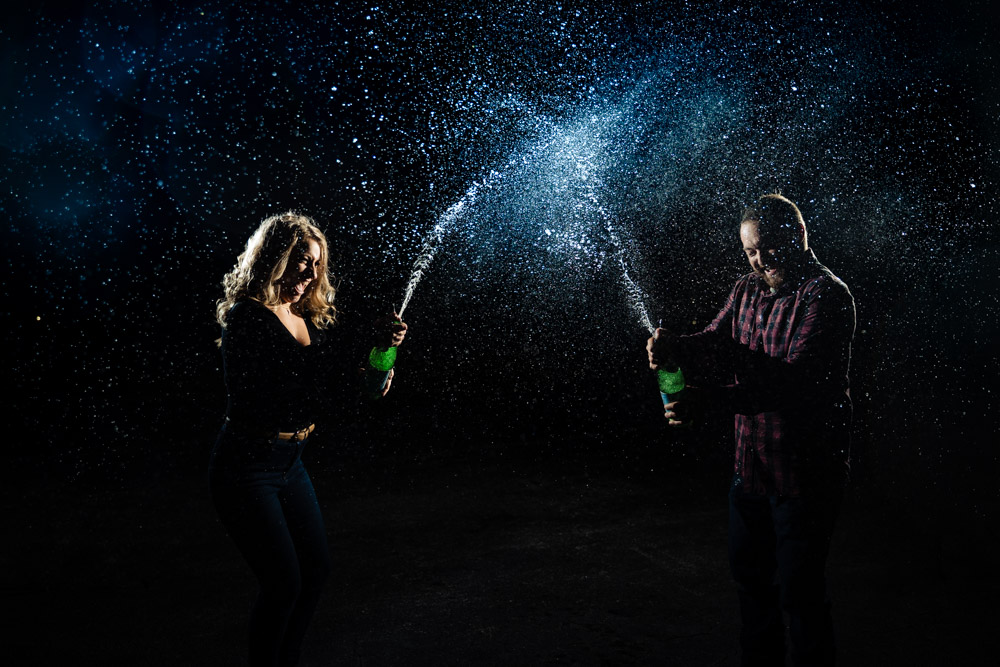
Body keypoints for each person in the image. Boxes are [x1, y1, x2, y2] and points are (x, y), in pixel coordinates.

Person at [647, 193, 854, 666]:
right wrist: (673, 345)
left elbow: (790, 386)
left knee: (800, 599)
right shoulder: (746, 289)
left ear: (798, 237)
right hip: (750, 472)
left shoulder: (825, 296)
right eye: (750, 251)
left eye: (769, 247)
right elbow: (716, 341)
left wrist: (704, 401)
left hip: (804, 478)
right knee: (752, 591)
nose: (760, 260)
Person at [209, 212, 407, 667]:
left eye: (316, 264)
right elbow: (294, 384)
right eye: (300, 260)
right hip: (246, 467)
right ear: (273, 259)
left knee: (315, 573)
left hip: (290, 462)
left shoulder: (303, 316)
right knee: (283, 584)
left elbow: (341, 390)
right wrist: (361, 365)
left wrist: (380, 361)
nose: (310, 273)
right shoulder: (247, 319)